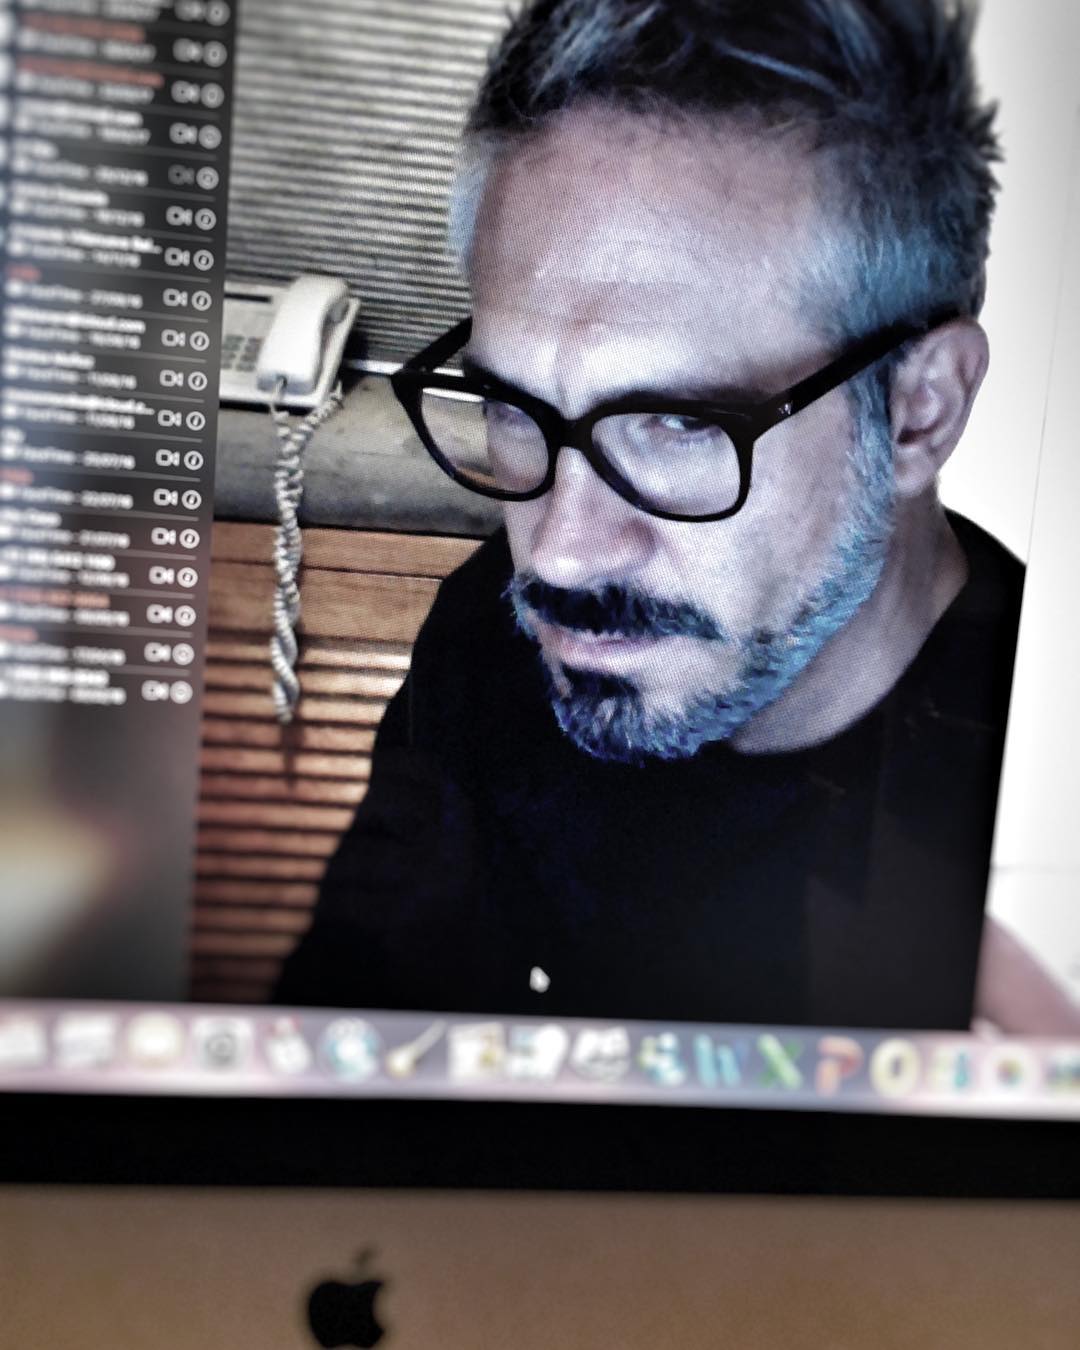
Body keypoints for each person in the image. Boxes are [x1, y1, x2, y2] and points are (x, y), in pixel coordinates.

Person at [275, 0, 1072, 1031]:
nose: (559, 555)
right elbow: (349, 1021)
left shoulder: (1046, 770)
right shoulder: (488, 641)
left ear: (921, 409)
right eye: (514, 407)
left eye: (680, 423)